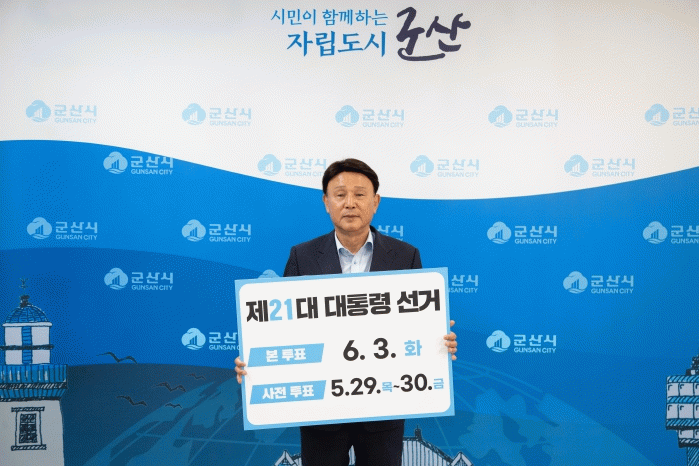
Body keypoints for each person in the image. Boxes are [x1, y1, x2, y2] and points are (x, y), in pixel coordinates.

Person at [235, 158, 457, 466]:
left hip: (384, 406)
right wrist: (257, 362)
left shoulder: (405, 256)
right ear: (326, 202)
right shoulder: (302, 256)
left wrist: (438, 343)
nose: (350, 203)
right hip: (321, 410)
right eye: (340, 195)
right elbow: (283, 329)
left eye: (359, 194)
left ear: (375, 202)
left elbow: (417, 326)